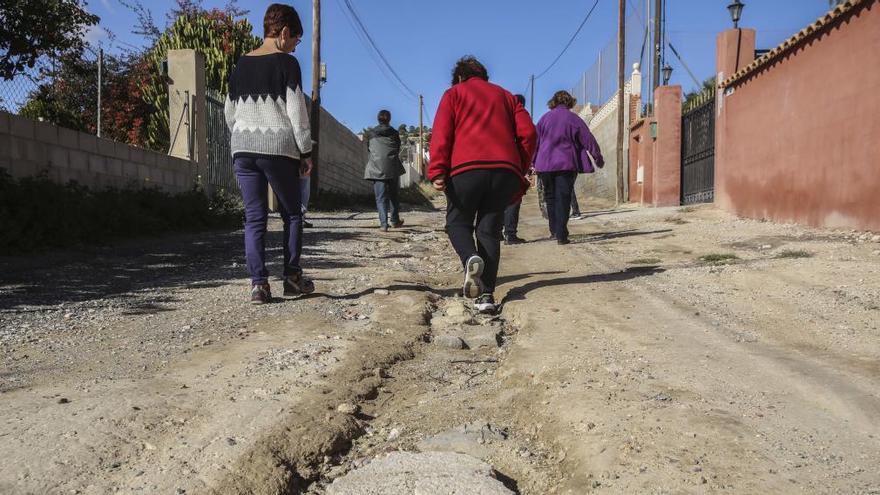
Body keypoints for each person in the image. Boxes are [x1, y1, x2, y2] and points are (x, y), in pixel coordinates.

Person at [428, 56, 536, 314]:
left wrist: (437, 170)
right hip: (503, 171)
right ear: (484, 76)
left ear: (460, 78)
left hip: (465, 169)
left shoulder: (454, 93)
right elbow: (529, 133)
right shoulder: (507, 96)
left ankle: (470, 259)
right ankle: (486, 296)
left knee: (457, 223)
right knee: (488, 231)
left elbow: (442, 132)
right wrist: (518, 166)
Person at [224, 3, 314, 304]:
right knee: (292, 214)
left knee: (254, 218)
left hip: (243, 148)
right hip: (278, 149)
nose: (295, 46)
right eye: (296, 40)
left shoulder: (241, 64)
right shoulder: (287, 65)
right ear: (285, 32)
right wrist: (305, 152)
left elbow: (229, 112)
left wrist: (243, 135)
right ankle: (292, 277)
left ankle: (259, 285)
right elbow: (298, 116)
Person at [533, 90, 603, 245]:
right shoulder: (573, 119)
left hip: (545, 164)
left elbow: (535, 142)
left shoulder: (544, 119)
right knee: (563, 198)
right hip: (566, 164)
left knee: (550, 197)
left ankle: (554, 231)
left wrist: (532, 162)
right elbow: (588, 139)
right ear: (570, 102)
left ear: (553, 102)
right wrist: (597, 158)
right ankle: (561, 235)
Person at [364, 109, 405, 231]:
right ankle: (394, 220)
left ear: (378, 119)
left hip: (377, 169)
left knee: (380, 198)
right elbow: (397, 148)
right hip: (392, 168)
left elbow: (369, 149)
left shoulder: (371, 134)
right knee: (393, 196)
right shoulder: (394, 133)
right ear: (389, 119)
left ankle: (383, 224)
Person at [502, 94, 530, 246]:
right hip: (513, 163)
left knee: (498, 200)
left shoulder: (500, 117)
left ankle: (497, 232)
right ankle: (510, 234)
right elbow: (528, 136)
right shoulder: (520, 118)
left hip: (496, 162)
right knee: (514, 199)